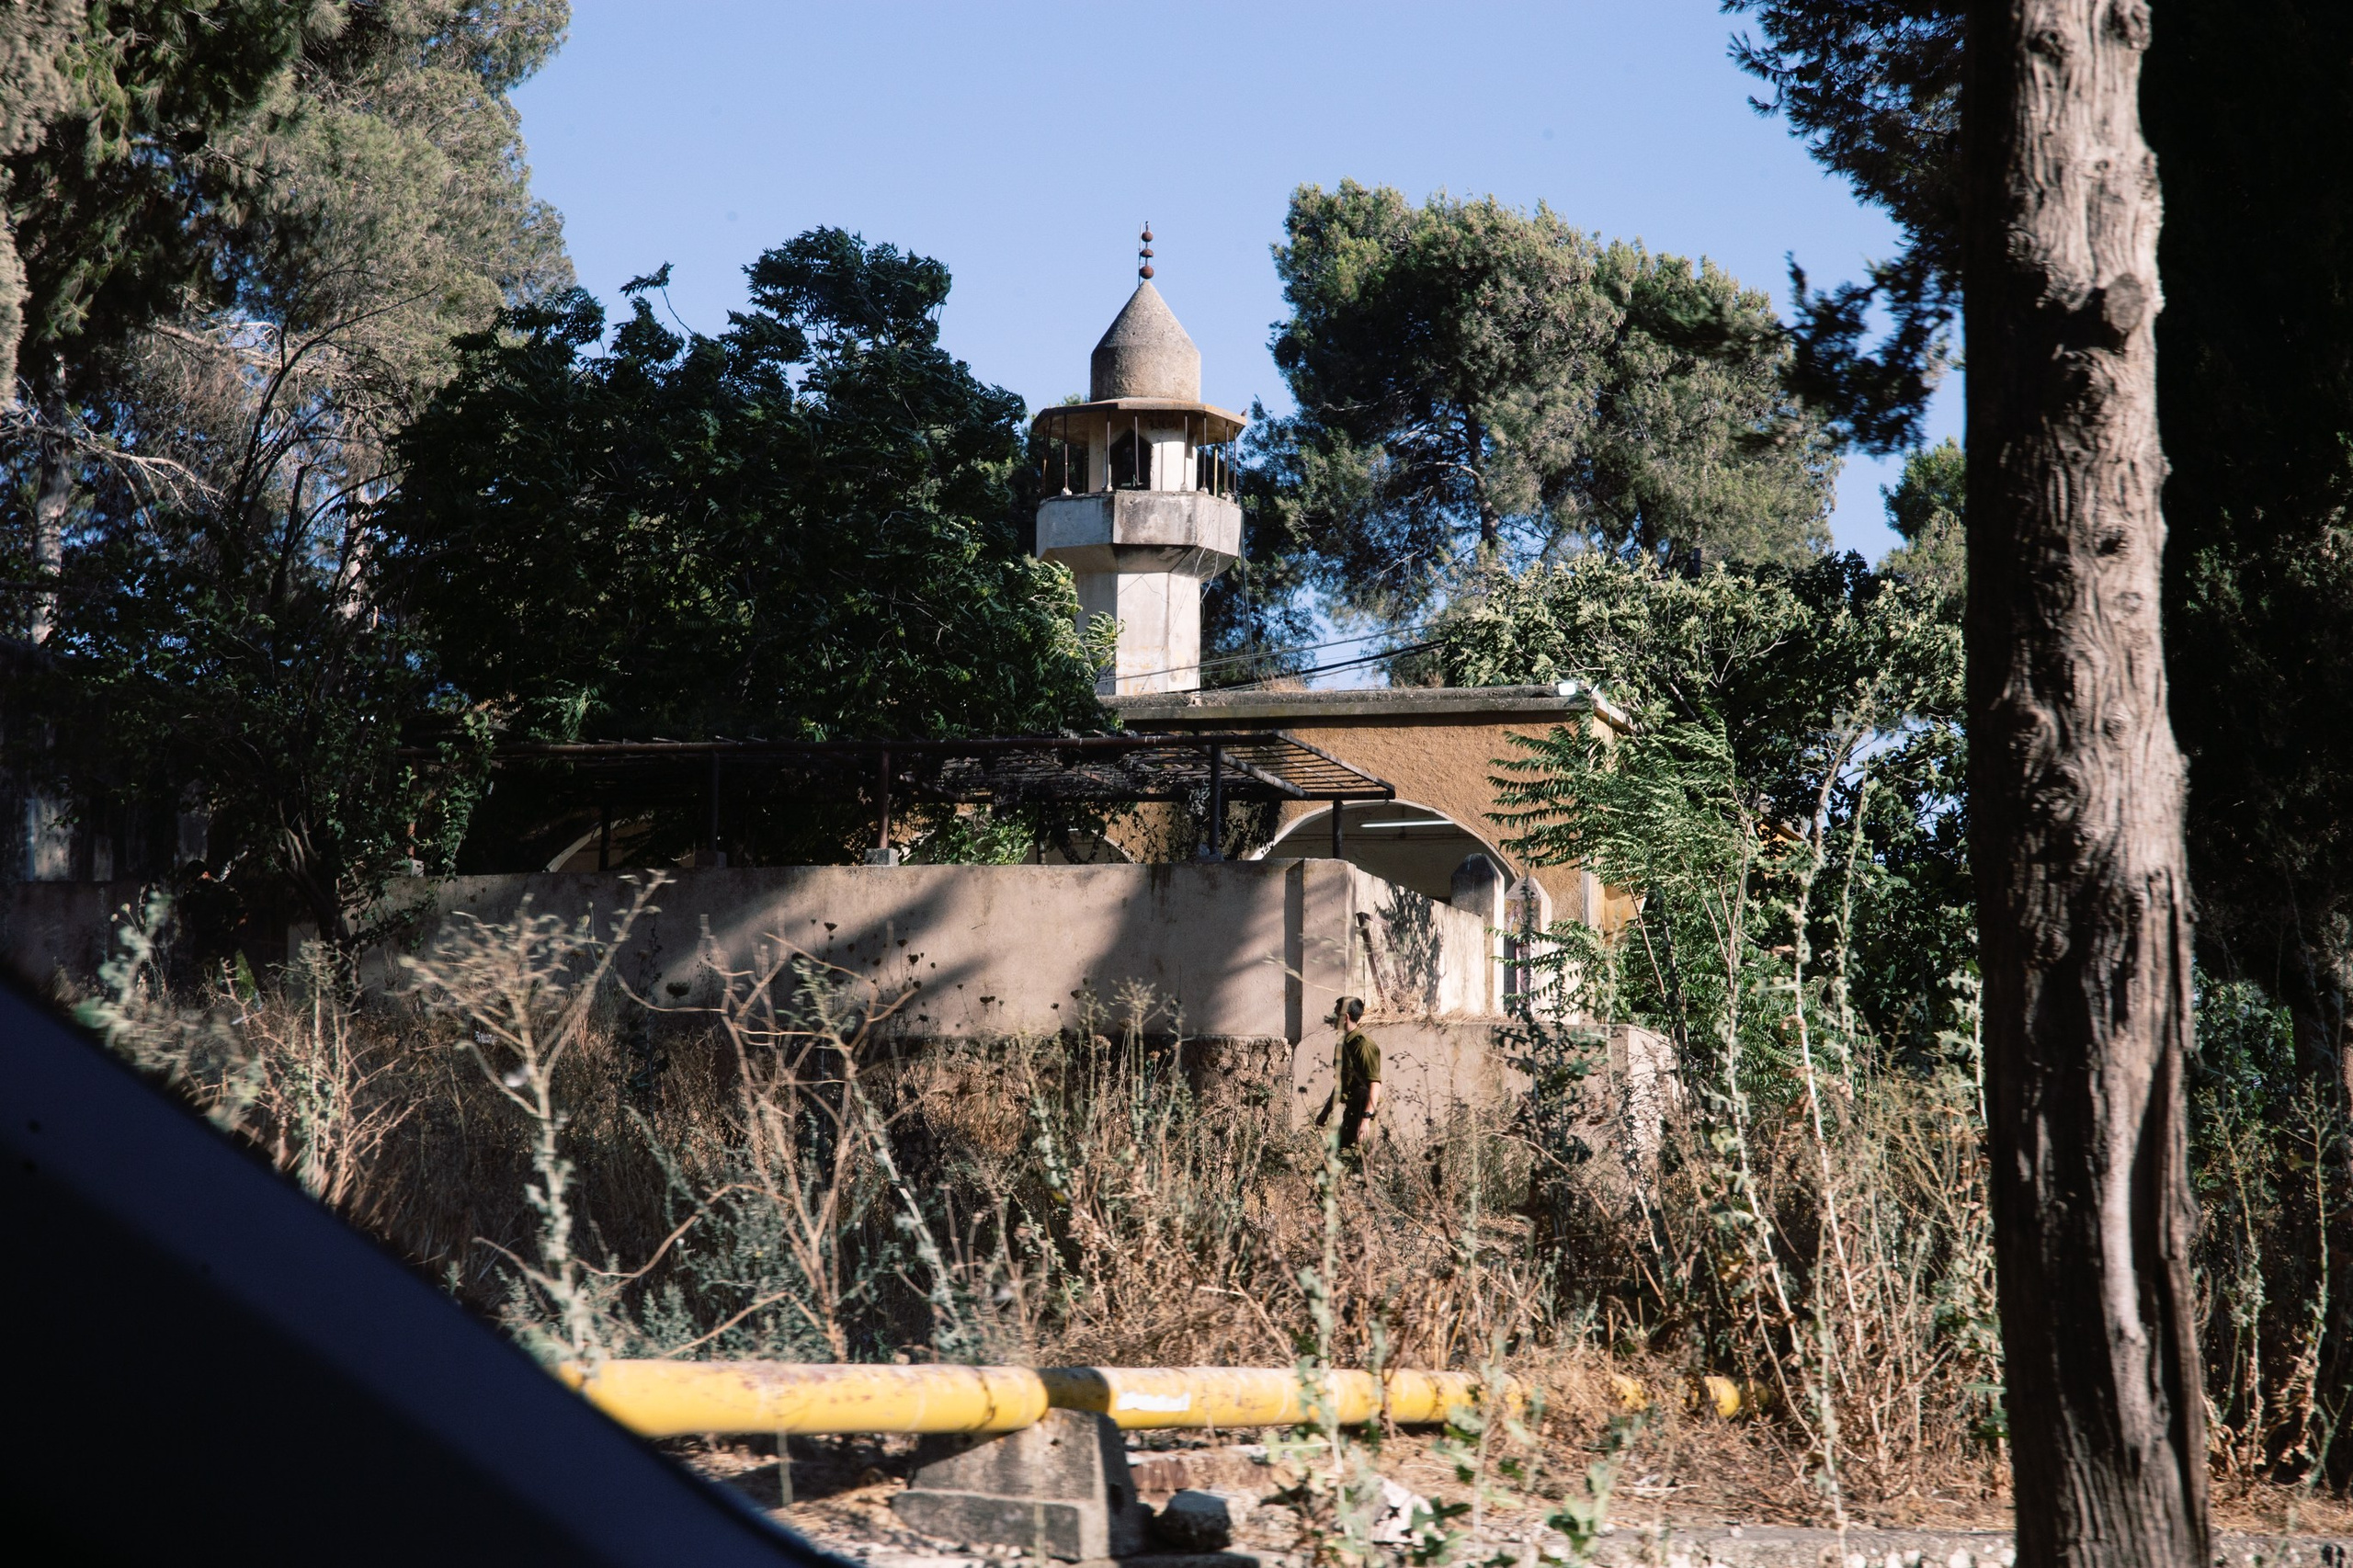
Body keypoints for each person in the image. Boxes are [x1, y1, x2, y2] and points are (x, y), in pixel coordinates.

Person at [1313, 996, 1382, 1158]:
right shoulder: (1344, 1044)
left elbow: (1375, 1084)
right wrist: (1325, 1112)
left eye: (1336, 1013)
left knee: (1353, 1168)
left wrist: (1365, 1120)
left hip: (1363, 1116)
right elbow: (1341, 1085)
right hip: (1352, 1114)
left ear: (1346, 1017)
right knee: (1357, 1170)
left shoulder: (1363, 1046)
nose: (1333, 1016)